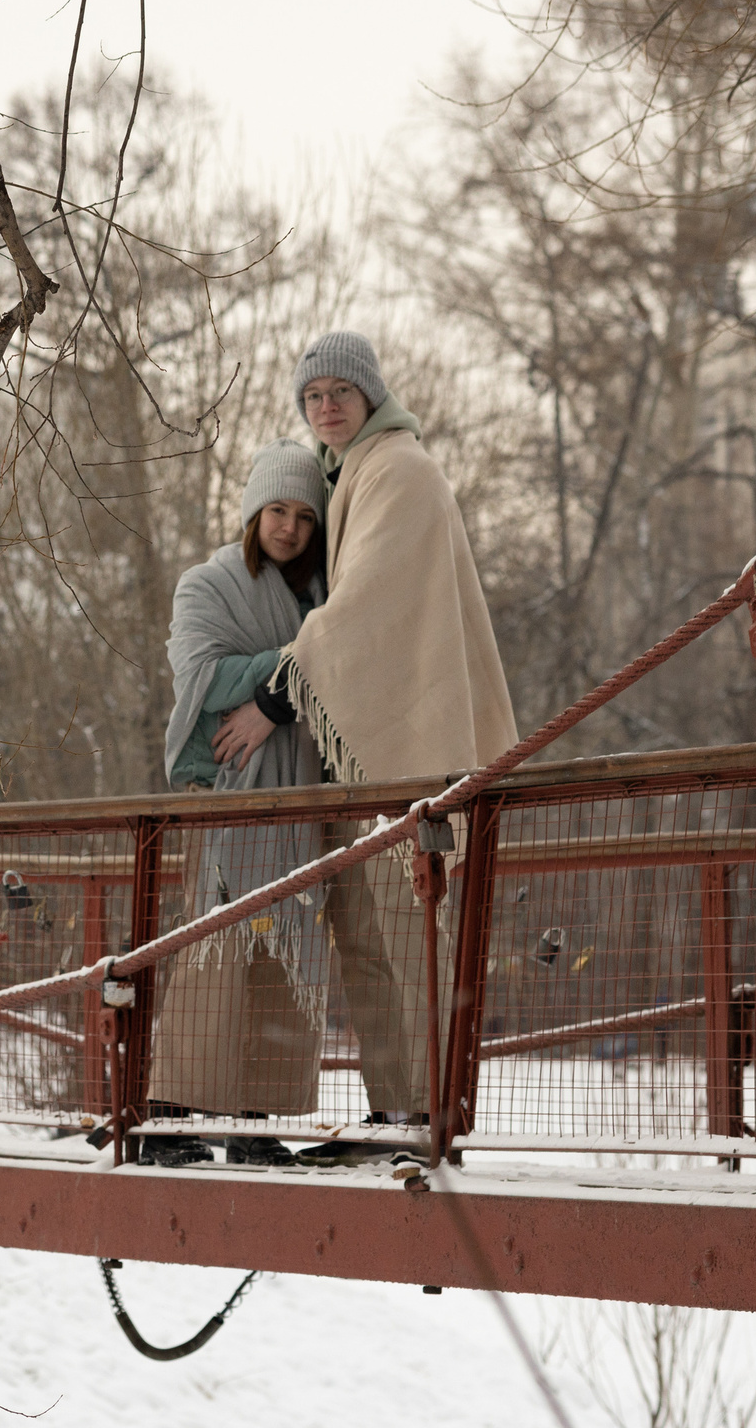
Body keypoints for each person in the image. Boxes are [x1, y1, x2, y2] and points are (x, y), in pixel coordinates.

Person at [270, 331, 518, 1163]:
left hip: (413, 756)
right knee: (370, 942)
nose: (325, 406)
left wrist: (277, 687)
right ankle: (396, 1112)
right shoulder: (353, 474)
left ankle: (427, 1116)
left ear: (371, 395)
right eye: (312, 396)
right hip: (382, 758)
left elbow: (368, 610)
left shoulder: (400, 470)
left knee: (410, 942)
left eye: (340, 391)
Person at [141, 440, 334, 1167]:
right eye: (277, 510)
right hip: (230, 790)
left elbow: (342, 670)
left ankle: (254, 1124)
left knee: (286, 950)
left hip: (301, 789)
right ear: (253, 512)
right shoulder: (208, 584)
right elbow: (202, 679)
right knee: (215, 949)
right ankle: (167, 1118)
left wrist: (276, 692)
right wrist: (303, 661)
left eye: (305, 517)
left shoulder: (322, 597)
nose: (289, 527)